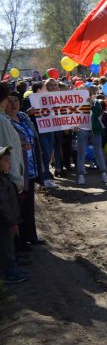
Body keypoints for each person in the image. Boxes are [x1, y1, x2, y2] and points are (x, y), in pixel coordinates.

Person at [7, 92, 42, 249]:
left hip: (32, 166)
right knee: (19, 207)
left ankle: (31, 236)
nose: (14, 104)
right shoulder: (6, 121)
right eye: (10, 101)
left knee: (29, 205)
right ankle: (20, 242)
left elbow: (34, 136)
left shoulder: (24, 117)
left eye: (16, 101)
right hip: (18, 168)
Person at [0, 146, 27, 283]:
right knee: (5, 248)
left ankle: (12, 268)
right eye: (6, 161)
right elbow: (3, 206)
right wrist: (11, 223)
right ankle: (9, 273)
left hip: (8, 223)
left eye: (9, 160)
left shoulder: (4, 179)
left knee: (9, 246)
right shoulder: (1, 183)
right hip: (5, 224)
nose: (9, 164)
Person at [75, 87, 107, 185]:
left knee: (98, 151)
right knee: (81, 152)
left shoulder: (96, 102)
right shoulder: (75, 103)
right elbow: (72, 116)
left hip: (95, 130)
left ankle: (103, 173)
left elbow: (98, 113)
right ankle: (81, 175)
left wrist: (91, 104)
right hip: (82, 129)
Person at [0, 83, 24, 193]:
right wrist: (16, 180)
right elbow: (8, 151)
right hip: (8, 182)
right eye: (8, 99)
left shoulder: (3, 119)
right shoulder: (2, 121)